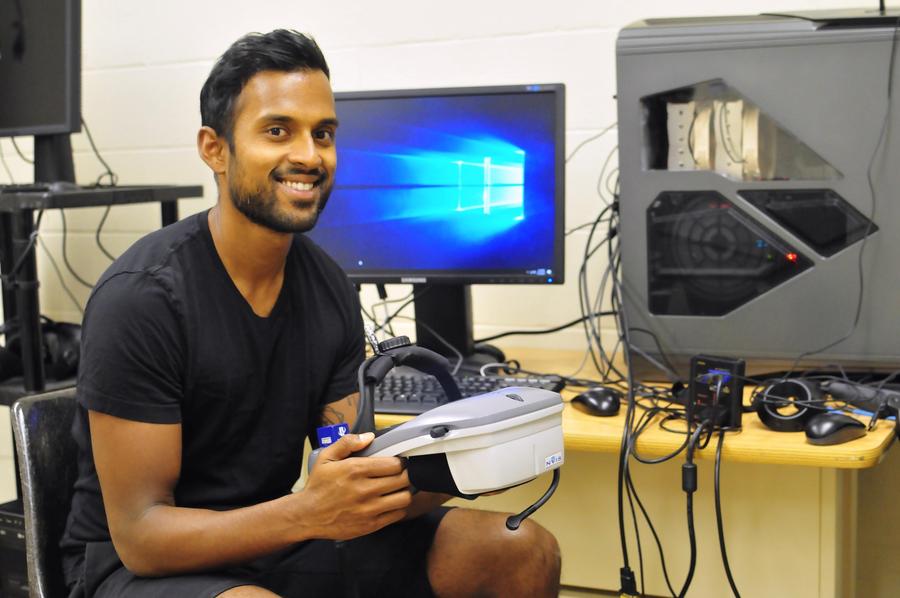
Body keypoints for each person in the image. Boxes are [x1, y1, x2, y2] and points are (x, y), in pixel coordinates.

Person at [60, 29, 561, 597]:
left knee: (521, 550)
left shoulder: (325, 284)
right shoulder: (144, 299)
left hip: (275, 540)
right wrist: (307, 513)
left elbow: (355, 470)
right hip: (140, 570)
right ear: (214, 148)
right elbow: (142, 536)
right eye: (278, 131)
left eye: (322, 134)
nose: (309, 154)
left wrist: (468, 468)